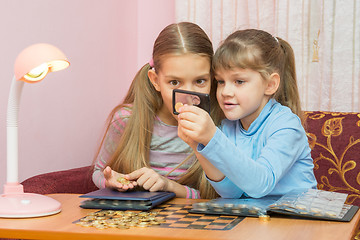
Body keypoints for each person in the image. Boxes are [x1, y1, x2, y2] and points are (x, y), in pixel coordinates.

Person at [177, 29, 317, 198]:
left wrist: (213, 137)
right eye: (221, 81)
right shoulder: (227, 127)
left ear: (270, 84)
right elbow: (232, 192)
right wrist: (198, 147)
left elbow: (260, 184)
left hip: (299, 220)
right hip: (257, 219)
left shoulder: (286, 125)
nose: (225, 91)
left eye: (239, 81)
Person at [92, 22, 222, 199]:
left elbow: (219, 196)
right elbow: (99, 172)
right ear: (155, 80)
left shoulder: (220, 124)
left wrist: (170, 186)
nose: (188, 95)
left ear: (212, 79)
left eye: (200, 81)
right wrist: (112, 180)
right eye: (174, 82)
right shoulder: (126, 119)